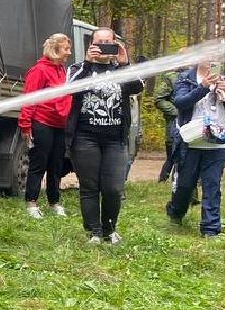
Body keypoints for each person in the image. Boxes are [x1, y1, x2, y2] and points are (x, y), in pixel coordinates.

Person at [64, 28, 143, 244]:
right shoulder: (78, 68)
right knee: (90, 186)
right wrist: (89, 64)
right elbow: (69, 88)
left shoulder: (121, 69)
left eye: (108, 41)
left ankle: (110, 229)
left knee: (113, 188)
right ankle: (94, 232)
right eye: (100, 41)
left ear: (116, 44)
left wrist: (125, 63)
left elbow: (138, 87)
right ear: (91, 44)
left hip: (115, 139)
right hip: (85, 137)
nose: (104, 45)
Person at [165, 59, 225, 237]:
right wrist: (203, 87)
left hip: (218, 142)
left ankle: (210, 228)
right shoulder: (186, 79)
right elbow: (180, 102)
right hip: (191, 141)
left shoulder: (224, 80)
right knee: (185, 186)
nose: (212, 60)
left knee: (212, 186)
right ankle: (176, 212)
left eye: (216, 56)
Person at [19, 32, 72, 218]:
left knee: (56, 165)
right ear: (55, 49)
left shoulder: (62, 70)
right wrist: (25, 124)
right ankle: (31, 202)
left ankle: (54, 202)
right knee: (38, 164)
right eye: (66, 48)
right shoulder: (39, 70)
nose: (69, 52)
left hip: (59, 124)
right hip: (42, 123)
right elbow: (29, 99)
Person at [152, 69, 182, 182]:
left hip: (194, 124)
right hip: (174, 123)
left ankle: (180, 181)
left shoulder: (198, 77)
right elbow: (159, 99)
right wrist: (177, 111)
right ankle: (163, 180)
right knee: (172, 155)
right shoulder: (171, 77)